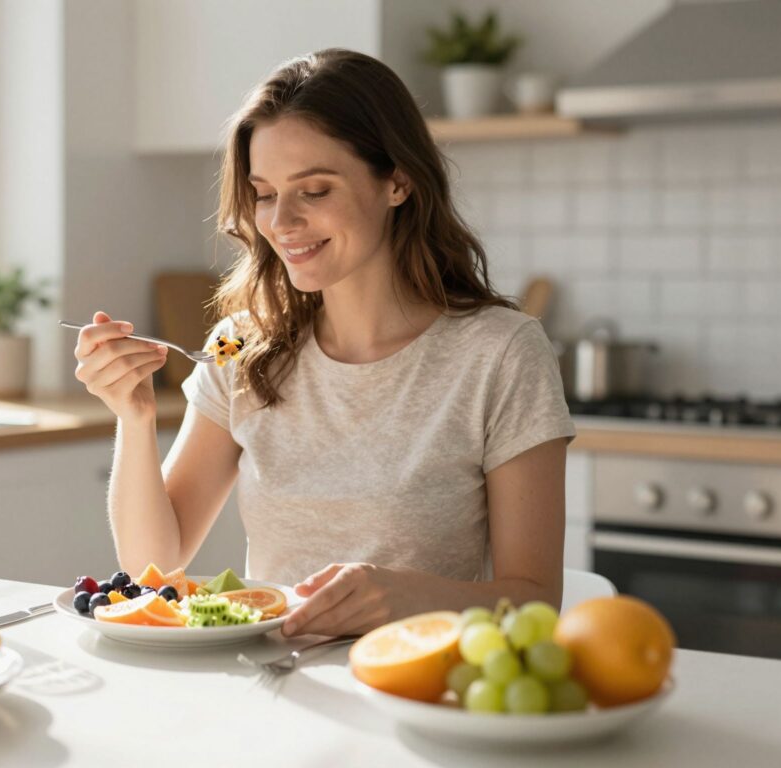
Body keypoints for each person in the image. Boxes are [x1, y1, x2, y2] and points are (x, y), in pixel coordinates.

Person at [72, 49, 575, 638]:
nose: (281, 221)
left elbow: (536, 604)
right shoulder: (243, 347)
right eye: (264, 192)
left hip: (420, 692)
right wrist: (131, 416)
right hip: (277, 687)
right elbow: (152, 567)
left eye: (313, 190)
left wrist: (409, 597)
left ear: (398, 181)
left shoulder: (501, 353)